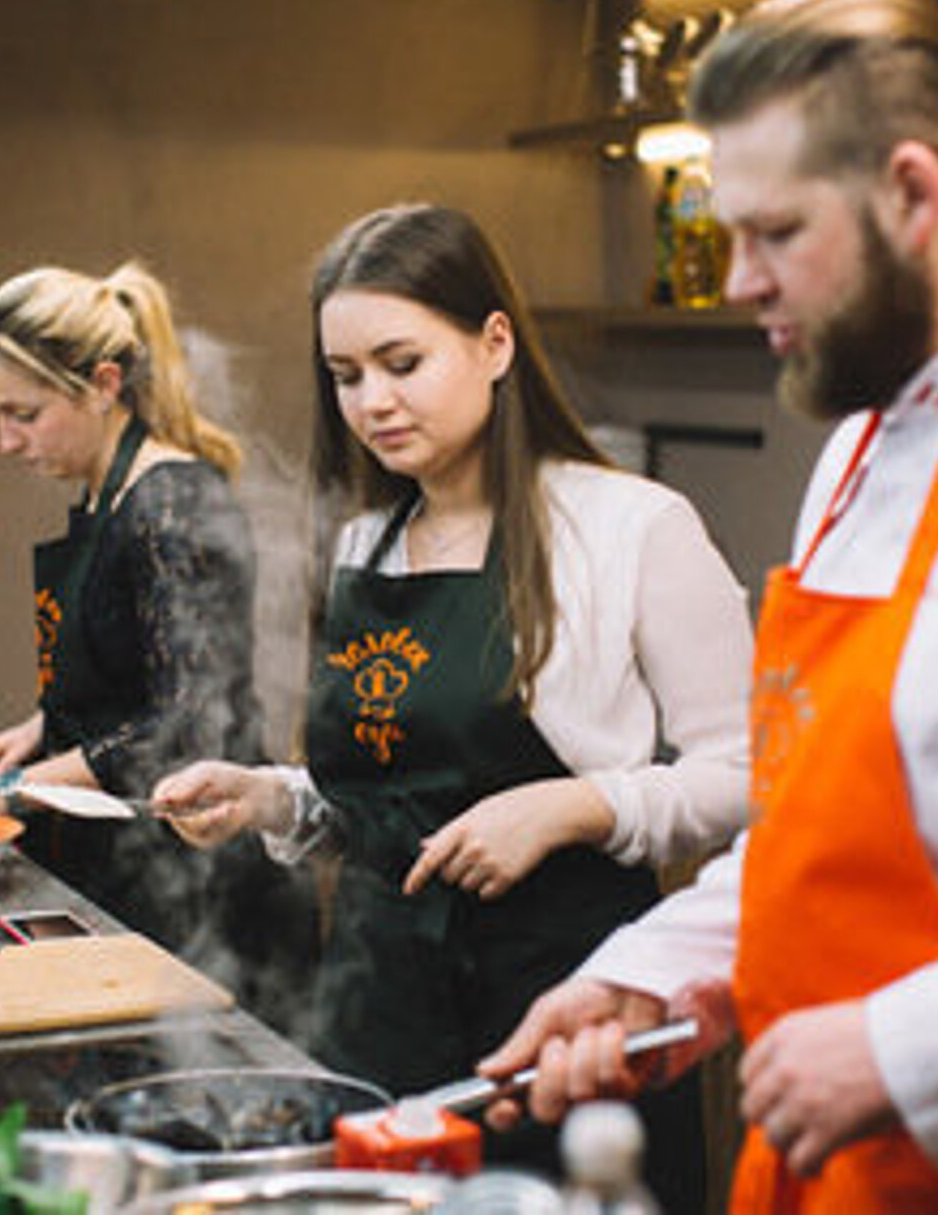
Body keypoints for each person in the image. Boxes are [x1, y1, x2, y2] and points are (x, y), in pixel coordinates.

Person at [478, 0, 938, 1211]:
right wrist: (647, 973)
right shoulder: (856, 456)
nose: (737, 277)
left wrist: (907, 1046)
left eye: (775, 232)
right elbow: (813, 841)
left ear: (912, 195)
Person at [152, 203, 754, 1209]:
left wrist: (574, 804)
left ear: (494, 344)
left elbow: (750, 775)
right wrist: (273, 797)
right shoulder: (365, 544)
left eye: (402, 363)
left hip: (562, 1015)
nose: (373, 402)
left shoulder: (631, 526)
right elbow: (387, 794)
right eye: (346, 376)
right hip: (376, 1006)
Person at [0, 260, 318, 1028]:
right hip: (131, 864)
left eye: (23, 413)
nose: (6, 441)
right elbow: (131, 661)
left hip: (202, 883)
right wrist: (42, 725)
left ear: (104, 384)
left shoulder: (173, 503)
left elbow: (187, 724)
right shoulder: (109, 496)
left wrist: (7, 793)